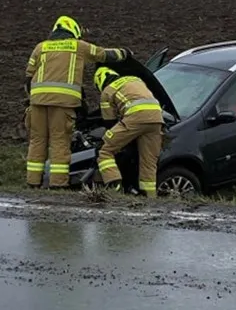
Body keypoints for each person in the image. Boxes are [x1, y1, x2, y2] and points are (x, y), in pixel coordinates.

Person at [24, 15, 131, 189]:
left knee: (37, 142)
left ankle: (32, 183)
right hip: (63, 104)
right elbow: (104, 55)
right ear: (73, 31)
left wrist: (33, 98)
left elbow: (28, 78)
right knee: (59, 142)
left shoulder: (40, 47)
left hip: (37, 103)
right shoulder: (78, 46)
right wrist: (125, 53)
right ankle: (58, 185)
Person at [93, 66, 164, 197]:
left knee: (104, 150)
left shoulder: (107, 91)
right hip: (157, 118)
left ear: (99, 82)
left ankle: (115, 185)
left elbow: (110, 122)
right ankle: (150, 197)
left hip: (135, 117)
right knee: (148, 162)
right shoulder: (136, 79)